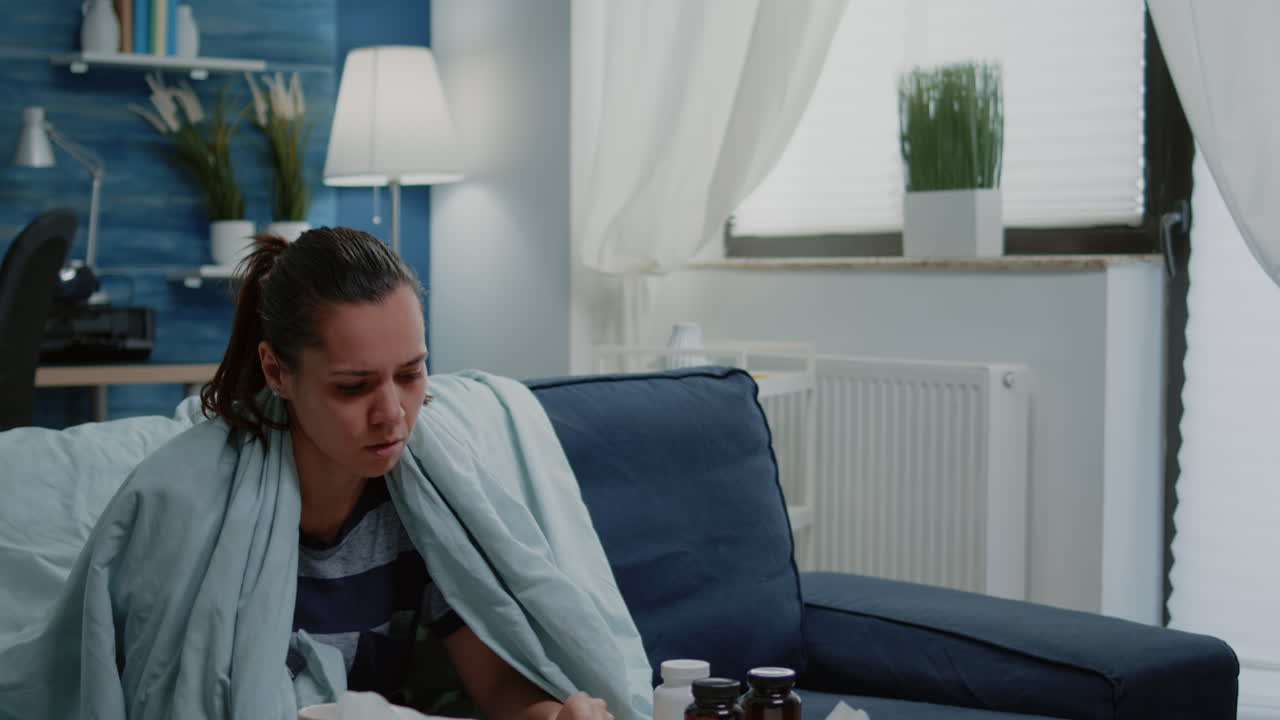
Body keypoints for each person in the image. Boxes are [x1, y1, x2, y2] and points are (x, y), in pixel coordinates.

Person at [195, 227, 615, 720]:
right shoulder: (207, 512)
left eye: (412, 374)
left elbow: (499, 684)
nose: (393, 415)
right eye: (354, 386)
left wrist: (557, 718)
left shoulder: (419, 508)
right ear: (276, 372)